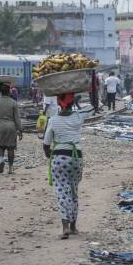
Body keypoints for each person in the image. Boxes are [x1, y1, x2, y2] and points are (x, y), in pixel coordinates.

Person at [43, 93, 95, 239]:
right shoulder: (79, 116)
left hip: (59, 158)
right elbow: (93, 107)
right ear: (73, 103)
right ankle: (73, 226)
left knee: (62, 192)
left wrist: (49, 155)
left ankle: (65, 228)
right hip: (76, 157)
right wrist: (78, 102)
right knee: (73, 191)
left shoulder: (53, 120)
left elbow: (46, 144)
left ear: (59, 104)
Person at [0, 82, 22, 174]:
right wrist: (20, 130)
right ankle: (10, 169)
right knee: (11, 148)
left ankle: (1, 161)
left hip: (0, 126)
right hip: (11, 126)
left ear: (0, 91)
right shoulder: (13, 102)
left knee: (0, 147)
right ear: (9, 91)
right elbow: (17, 118)